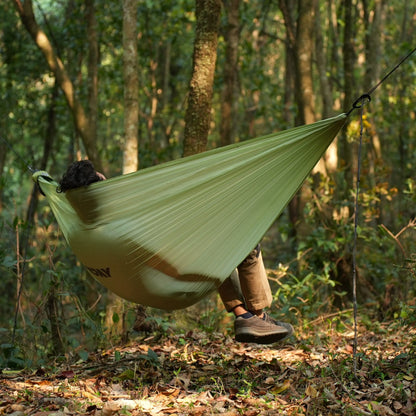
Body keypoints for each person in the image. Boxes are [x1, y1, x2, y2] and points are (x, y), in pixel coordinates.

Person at [58, 160, 294, 344]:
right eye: (103, 180)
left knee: (220, 246)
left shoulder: (80, 232)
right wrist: (193, 273)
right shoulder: (119, 231)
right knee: (243, 239)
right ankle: (258, 316)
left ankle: (245, 317)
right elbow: (167, 265)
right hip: (167, 281)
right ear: (98, 191)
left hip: (140, 286)